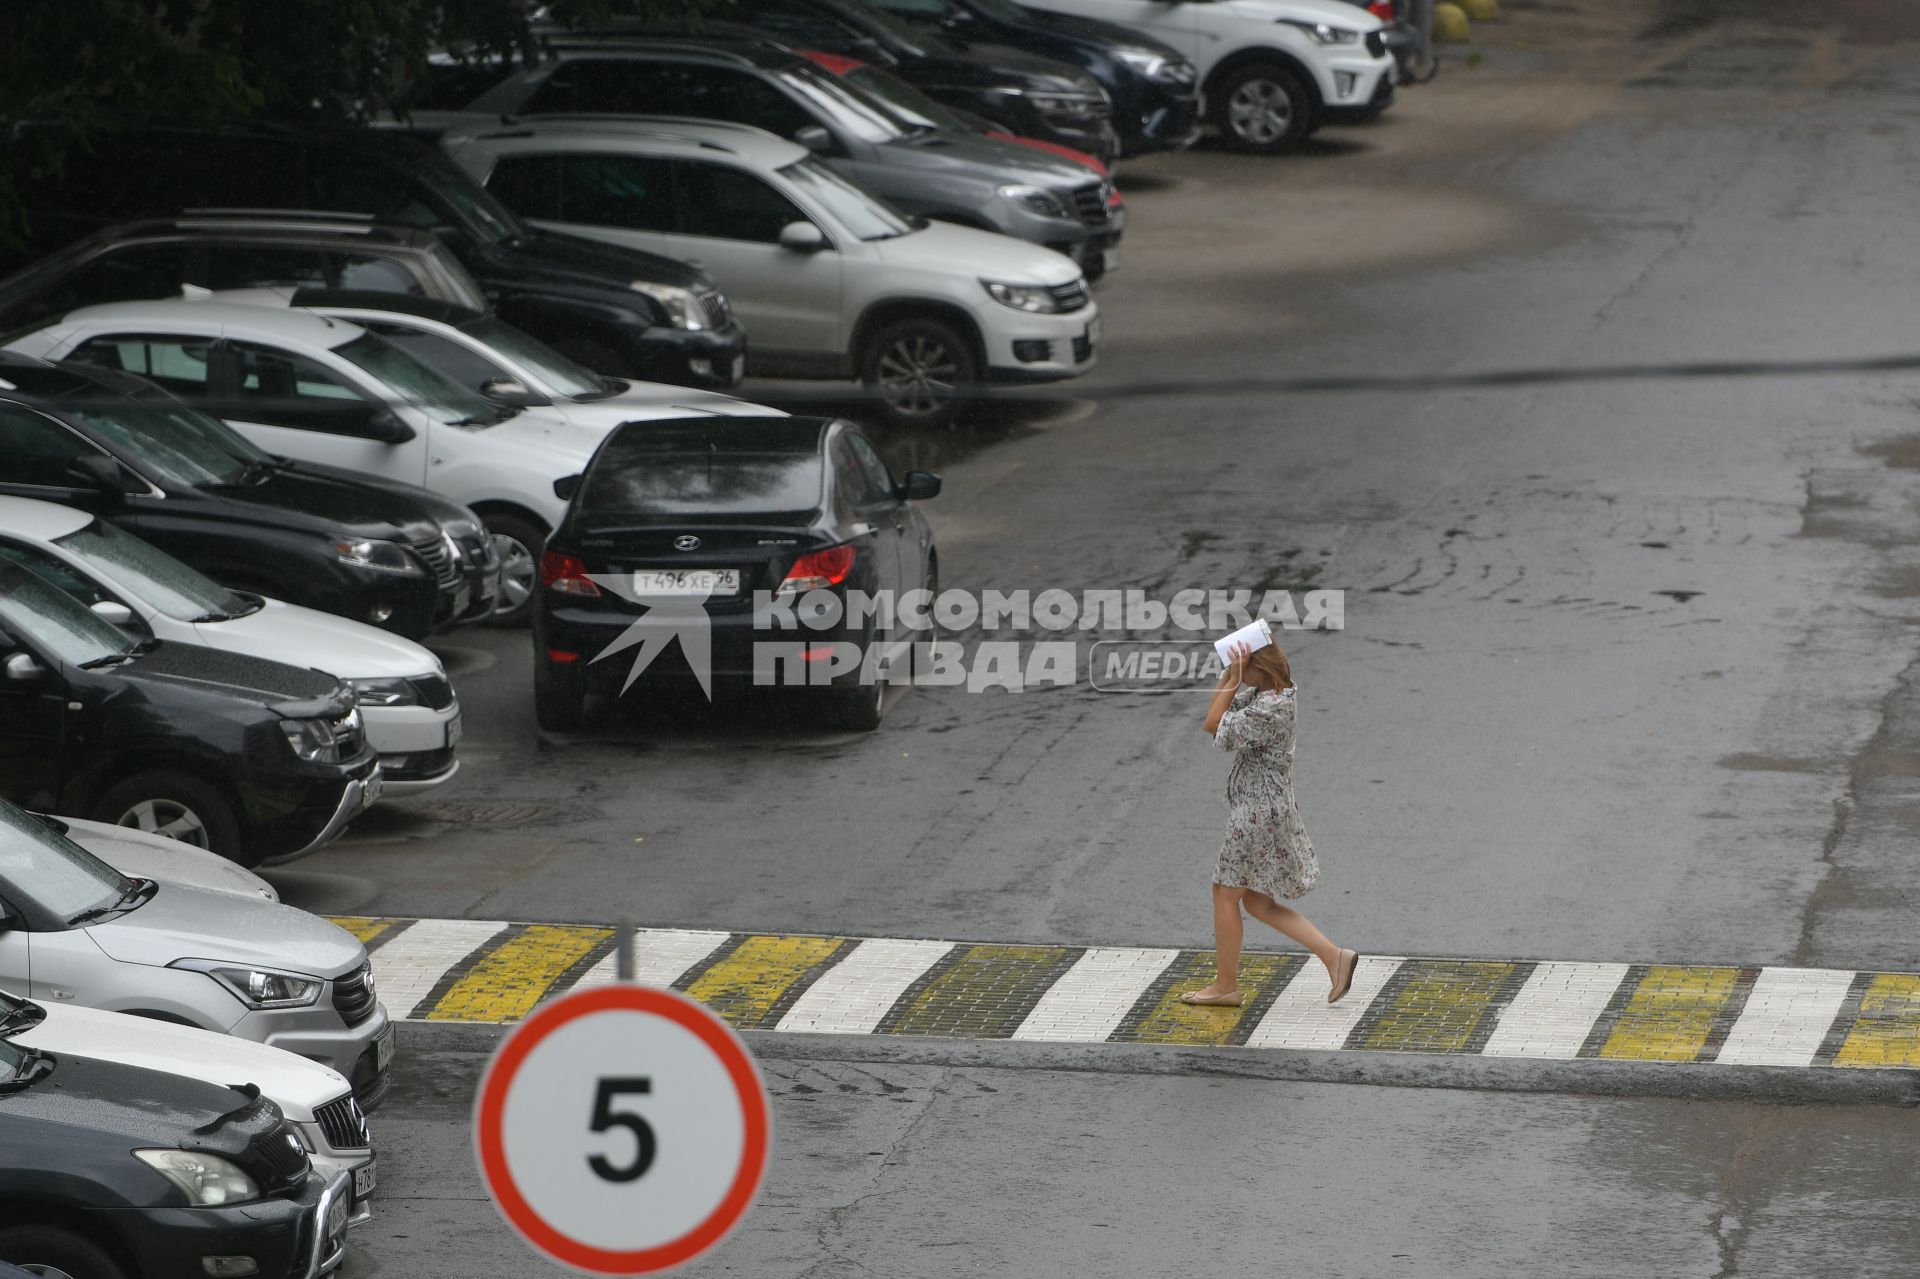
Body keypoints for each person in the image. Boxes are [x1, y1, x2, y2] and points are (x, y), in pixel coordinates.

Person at [1179, 639, 1359, 1007]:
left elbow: (1213, 724)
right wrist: (1232, 673)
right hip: (1267, 807)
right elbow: (1225, 709)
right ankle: (1334, 957)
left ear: (1260, 667)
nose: (1239, 676)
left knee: (1224, 893)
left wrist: (1231, 677)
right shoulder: (1273, 694)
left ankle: (1226, 986)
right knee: (1258, 903)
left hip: (1257, 812)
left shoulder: (1270, 708)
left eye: (1245, 668)